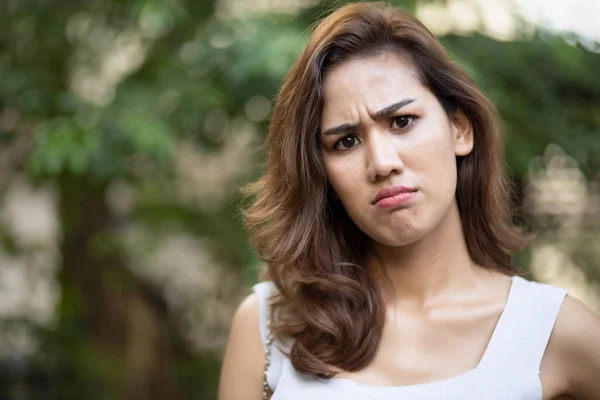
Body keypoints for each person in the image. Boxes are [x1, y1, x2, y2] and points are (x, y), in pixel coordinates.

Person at [219, 2, 600, 399]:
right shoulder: (268, 328)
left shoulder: (552, 330)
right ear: (323, 173)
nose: (382, 163)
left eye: (401, 122)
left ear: (459, 130)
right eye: (346, 141)